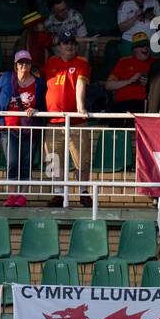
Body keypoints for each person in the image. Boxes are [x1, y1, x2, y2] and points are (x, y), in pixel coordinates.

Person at [0, 51, 47, 207]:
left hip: (29, 128)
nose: (24, 66)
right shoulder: (6, 78)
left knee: (26, 162)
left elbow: (43, 104)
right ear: (15, 65)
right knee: (12, 161)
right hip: (8, 127)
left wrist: (36, 110)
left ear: (31, 65)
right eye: (21, 63)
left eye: (27, 63)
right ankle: (12, 194)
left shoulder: (38, 82)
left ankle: (22, 195)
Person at [43, 31, 92, 208]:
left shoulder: (81, 62)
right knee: (53, 158)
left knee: (82, 159)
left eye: (72, 43)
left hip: (77, 122)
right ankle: (58, 194)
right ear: (59, 46)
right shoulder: (51, 63)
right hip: (53, 121)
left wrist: (80, 108)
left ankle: (83, 192)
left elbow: (80, 84)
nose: (69, 46)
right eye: (65, 43)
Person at [106, 31, 154, 116]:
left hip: (147, 104)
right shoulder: (124, 62)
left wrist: (150, 83)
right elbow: (109, 85)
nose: (145, 48)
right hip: (124, 104)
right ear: (134, 49)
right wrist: (130, 81)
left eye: (147, 45)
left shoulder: (156, 62)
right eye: (141, 46)